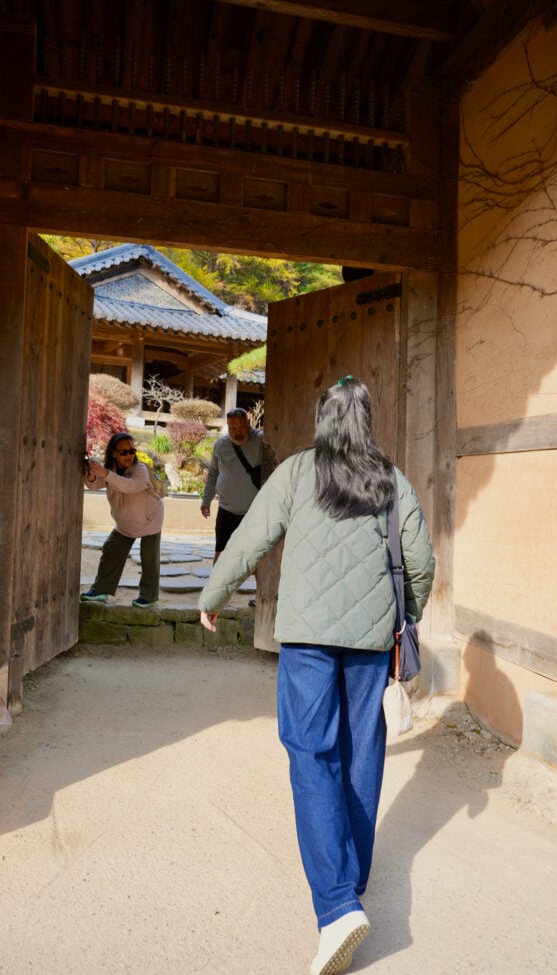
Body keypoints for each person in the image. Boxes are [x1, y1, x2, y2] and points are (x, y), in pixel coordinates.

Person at [198, 377, 435, 975]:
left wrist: (215, 591)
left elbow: (252, 534)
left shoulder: (299, 472)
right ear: (367, 420)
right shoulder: (390, 479)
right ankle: (348, 880)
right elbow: (421, 560)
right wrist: (407, 616)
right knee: (361, 754)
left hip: (307, 639)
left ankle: (334, 907)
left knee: (310, 752)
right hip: (370, 643)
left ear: (323, 420)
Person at [81, 431, 164, 608]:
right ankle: (100, 590)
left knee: (149, 558)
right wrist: (92, 474)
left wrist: (104, 473)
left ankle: (148, 597)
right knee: (111, 549)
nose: (128, 455)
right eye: (123, 452)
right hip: (125, 524)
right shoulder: (109, 469)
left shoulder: (140, 469)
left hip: (151, 519)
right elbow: (95, 485)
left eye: (131, 451)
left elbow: (130, 486)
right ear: (113, 453)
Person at [200, 407, 263, 563]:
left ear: (248, 423)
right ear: (228, 427)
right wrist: (206, 500)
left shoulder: (262, 440)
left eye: (241, 427)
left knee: (256, 556)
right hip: (226, 510)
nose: (238, 432)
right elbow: (213, 473)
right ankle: (217, 587)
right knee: (221, 553)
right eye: (233, 428)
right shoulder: (221, 444)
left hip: (254, 512)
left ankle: (259, 588)